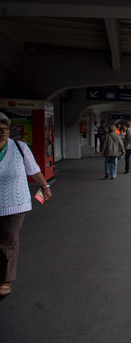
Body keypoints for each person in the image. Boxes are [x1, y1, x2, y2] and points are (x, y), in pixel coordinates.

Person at [0, 112, 52, 297]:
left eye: (5, 129)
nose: (3, 132)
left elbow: (34, 169)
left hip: (15, 202)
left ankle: (5, 279)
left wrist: (45, 186)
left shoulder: (20, 147)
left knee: (10, 239)